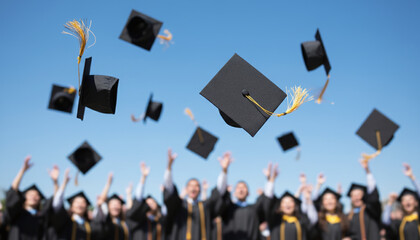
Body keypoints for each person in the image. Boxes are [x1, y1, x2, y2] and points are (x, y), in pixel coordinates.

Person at [163, 149, 230, 240]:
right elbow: (169, 188)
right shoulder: (179, 205)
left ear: (200, 189)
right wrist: (169, 167)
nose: (193, 188)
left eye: (196, 186)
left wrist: (224, 170)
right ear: (186, 189)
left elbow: (219, 191)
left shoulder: (205, 206)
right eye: (191, 186)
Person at [260, 163, 317, 240]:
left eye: (290, 201)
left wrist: (308, 198)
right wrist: (271, 180)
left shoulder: (301, 221)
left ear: (295, 205)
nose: (288, 204)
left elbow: (313, 219)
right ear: (280, 207)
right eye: (284, 202)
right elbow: (268, 202)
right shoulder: (275, 220)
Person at [216, 162, 271, 240]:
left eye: (244, 187)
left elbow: (267, 198)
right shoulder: (228, 208)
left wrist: (269, 180)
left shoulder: (254, 209)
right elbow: (221, 192)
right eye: (238, 187)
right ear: (234, 193)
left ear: (248, 193)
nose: (241, 189)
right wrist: (224, 170)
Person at [5, 156, 52, 240]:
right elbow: (13, 192)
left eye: (36, 195)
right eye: (30, 194)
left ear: (40, 200)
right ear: (24, 198)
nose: (33, 197)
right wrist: (22, 170)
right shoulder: (17, 213)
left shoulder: (41, 217)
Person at [51, 169, 102, 240]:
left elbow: (99, 219)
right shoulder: (65, 221)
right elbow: (57, 205)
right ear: (71, 207)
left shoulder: (89, 226)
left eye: (83, 202)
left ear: (86, 207)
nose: (80, 205)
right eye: (77, 202)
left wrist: (99, 206)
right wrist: (63, 184)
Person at [125, 162, 165, 240]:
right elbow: (138, 199)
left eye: (152, 202)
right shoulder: (138, 220)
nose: (150, 205)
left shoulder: (160, 222)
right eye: (148, 203)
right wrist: (143, 178)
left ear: (157, 205)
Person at [382, 163, 419, 240]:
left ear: (416, 202)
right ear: (401, 204)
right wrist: (390, 202)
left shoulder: (418, 219)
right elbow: (385, 220)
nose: (408, 202)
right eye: (404, 200)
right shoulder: (400, 223)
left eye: (410, 199)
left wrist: (412, 178)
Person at [347, 159, 382, 240]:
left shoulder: (372, 211)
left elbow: (373, 196)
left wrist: (367, 171)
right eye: (353, 196)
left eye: (358, 195)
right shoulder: (348, 216)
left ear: (364, 196)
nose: (356, 198)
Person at [95, 173, 130, 240]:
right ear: (108, 207)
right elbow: (101, 201)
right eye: (113, 204)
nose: (115, 206)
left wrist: (128, 194)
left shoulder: (124, 224)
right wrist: (108, 184)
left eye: (117, 204)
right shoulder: (105, 220)